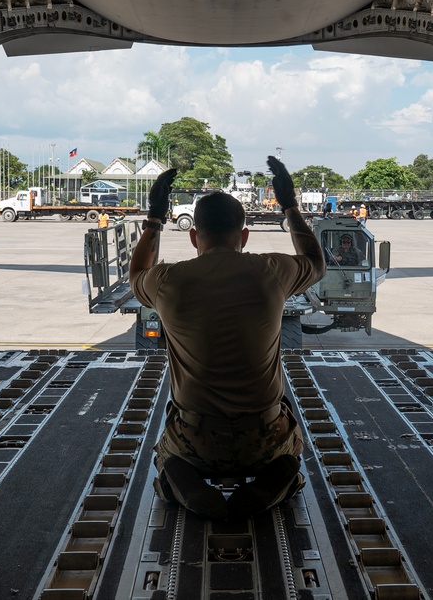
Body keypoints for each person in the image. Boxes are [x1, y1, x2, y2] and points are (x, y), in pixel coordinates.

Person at [130, 157, 325, 520]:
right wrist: (289, 206)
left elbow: (137, 271)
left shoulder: (167, 280)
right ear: (245, 235)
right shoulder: (272, 270)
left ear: (193, 237)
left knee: (166, 449)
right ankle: (276, 476)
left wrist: (155, 217)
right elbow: (315, 261)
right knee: (291, 439)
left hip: (195, 440)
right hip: (263, 437)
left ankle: (180, 478)